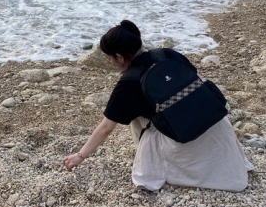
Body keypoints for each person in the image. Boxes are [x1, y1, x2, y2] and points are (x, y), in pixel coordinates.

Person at [62, 20, 254, 192]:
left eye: (109, 58)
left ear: (119, 57)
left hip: (186, 139)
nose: (110, 62)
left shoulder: (128, 83)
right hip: (217, 127)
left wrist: (80, 155)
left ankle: (154, 162)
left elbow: (106, 128)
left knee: (135, 116)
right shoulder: (167, 54)